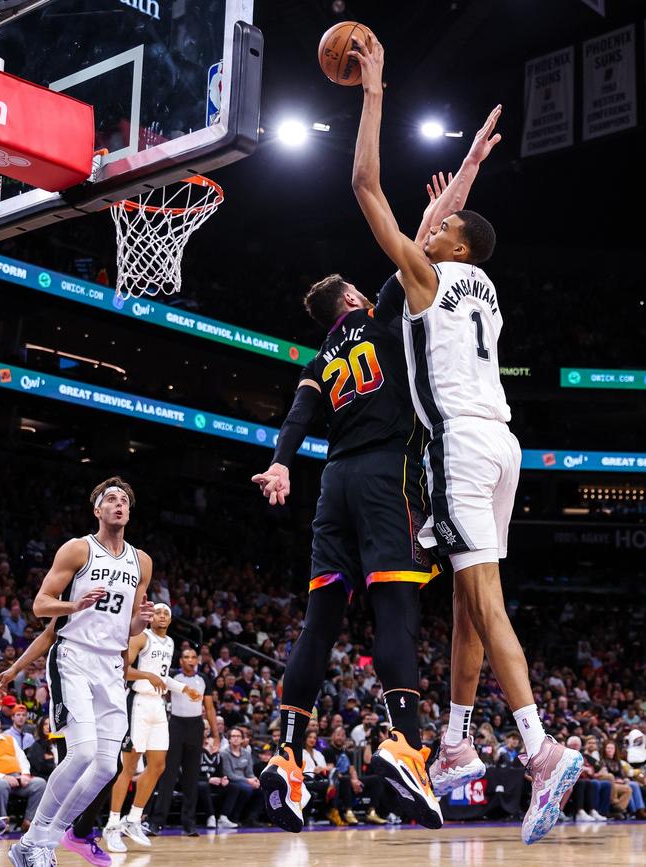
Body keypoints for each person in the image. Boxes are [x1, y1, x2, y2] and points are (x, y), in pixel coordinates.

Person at [348, 35, 583, 845]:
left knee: (484, 597)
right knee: (466, 592)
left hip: (459, 445)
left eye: (443, 225)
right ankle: (452, 743)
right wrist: (472, 173)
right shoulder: (482, 284)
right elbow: (440, 226)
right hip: (504, 446)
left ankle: (540, 746)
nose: (434, 224)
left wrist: (374, 91)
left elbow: (365, 186)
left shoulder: (427, 271)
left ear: (453, 243)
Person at [251, 112, 502, 834]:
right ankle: (408, 746)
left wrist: (277, 463)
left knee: (319, 624)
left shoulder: (317, 359)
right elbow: (422, 232)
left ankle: (287, 757)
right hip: (388, 470)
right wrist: (468, 174)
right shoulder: (384, 311)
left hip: (331, 483)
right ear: (355, 302)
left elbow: (298, 422)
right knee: (396, 611)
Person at [8, 477, 153, 867]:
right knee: (83, 752)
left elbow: (130, 628)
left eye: (124, 499)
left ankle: (37, 843)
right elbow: (40, 605)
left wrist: (141, 620)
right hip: (73, 656)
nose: (118, 504)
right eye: (110, 499)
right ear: (97, 510)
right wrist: (75, 606)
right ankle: (35, 840)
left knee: (107, 765)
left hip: (110, 665)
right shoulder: (77, 549)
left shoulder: (141, 561)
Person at [0, 595, 155, 867]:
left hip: (105, 684)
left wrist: (137, 626)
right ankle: (40, 842)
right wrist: (15, 668)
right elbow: (48, 635)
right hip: (72, 680)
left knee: (107, 768)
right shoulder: (78, 596)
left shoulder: (121, 612)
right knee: (78, 759)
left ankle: (51, 839)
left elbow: (125, 648)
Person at [103, 603, 204, 851]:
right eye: (158, 612)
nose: (161, 616)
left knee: (158, 766)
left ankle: (134, 819)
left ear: (170, 620)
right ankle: (112, 825)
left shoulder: (169, 643)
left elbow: (161, 675)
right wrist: (147, 677)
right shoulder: (141, 637)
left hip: (158, 706)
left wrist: (183, 688)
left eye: (166, 614)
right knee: (128, 768)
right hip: (137, 702)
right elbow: (122, 670)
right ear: (150, 617)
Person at [149, 647, 219, 836]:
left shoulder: (204, 679)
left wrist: (215, 734)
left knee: (192, 777)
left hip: (196, 726)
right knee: (168, 776)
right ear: (180, 661)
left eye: (193, 657)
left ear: (197, 660)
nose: (190, 660)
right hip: (175, 726)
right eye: (186, 657)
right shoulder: (173, 677)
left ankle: (189, 823)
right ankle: (157, 822)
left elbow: (210, 709)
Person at [0, 715, 46, 835]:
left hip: (17, 778)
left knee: (40, 783)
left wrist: (25, 774)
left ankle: (28, 821)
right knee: (1, 784)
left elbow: (22, 759)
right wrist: (4, 777)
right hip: (0, 779)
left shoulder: (9, 739)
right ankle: (1, 822)